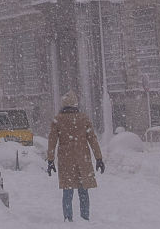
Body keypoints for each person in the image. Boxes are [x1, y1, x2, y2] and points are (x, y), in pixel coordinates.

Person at [46, 92, 105, 222]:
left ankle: (68, 218)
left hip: (65, 159)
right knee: (83, 190)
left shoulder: (58, 120)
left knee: (67, 190)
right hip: (82, 158)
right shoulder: (84, 118)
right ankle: (85, 217)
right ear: (75, 103)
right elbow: (93, 139)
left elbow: (52, 141)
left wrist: (50, 160)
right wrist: (99, 158)